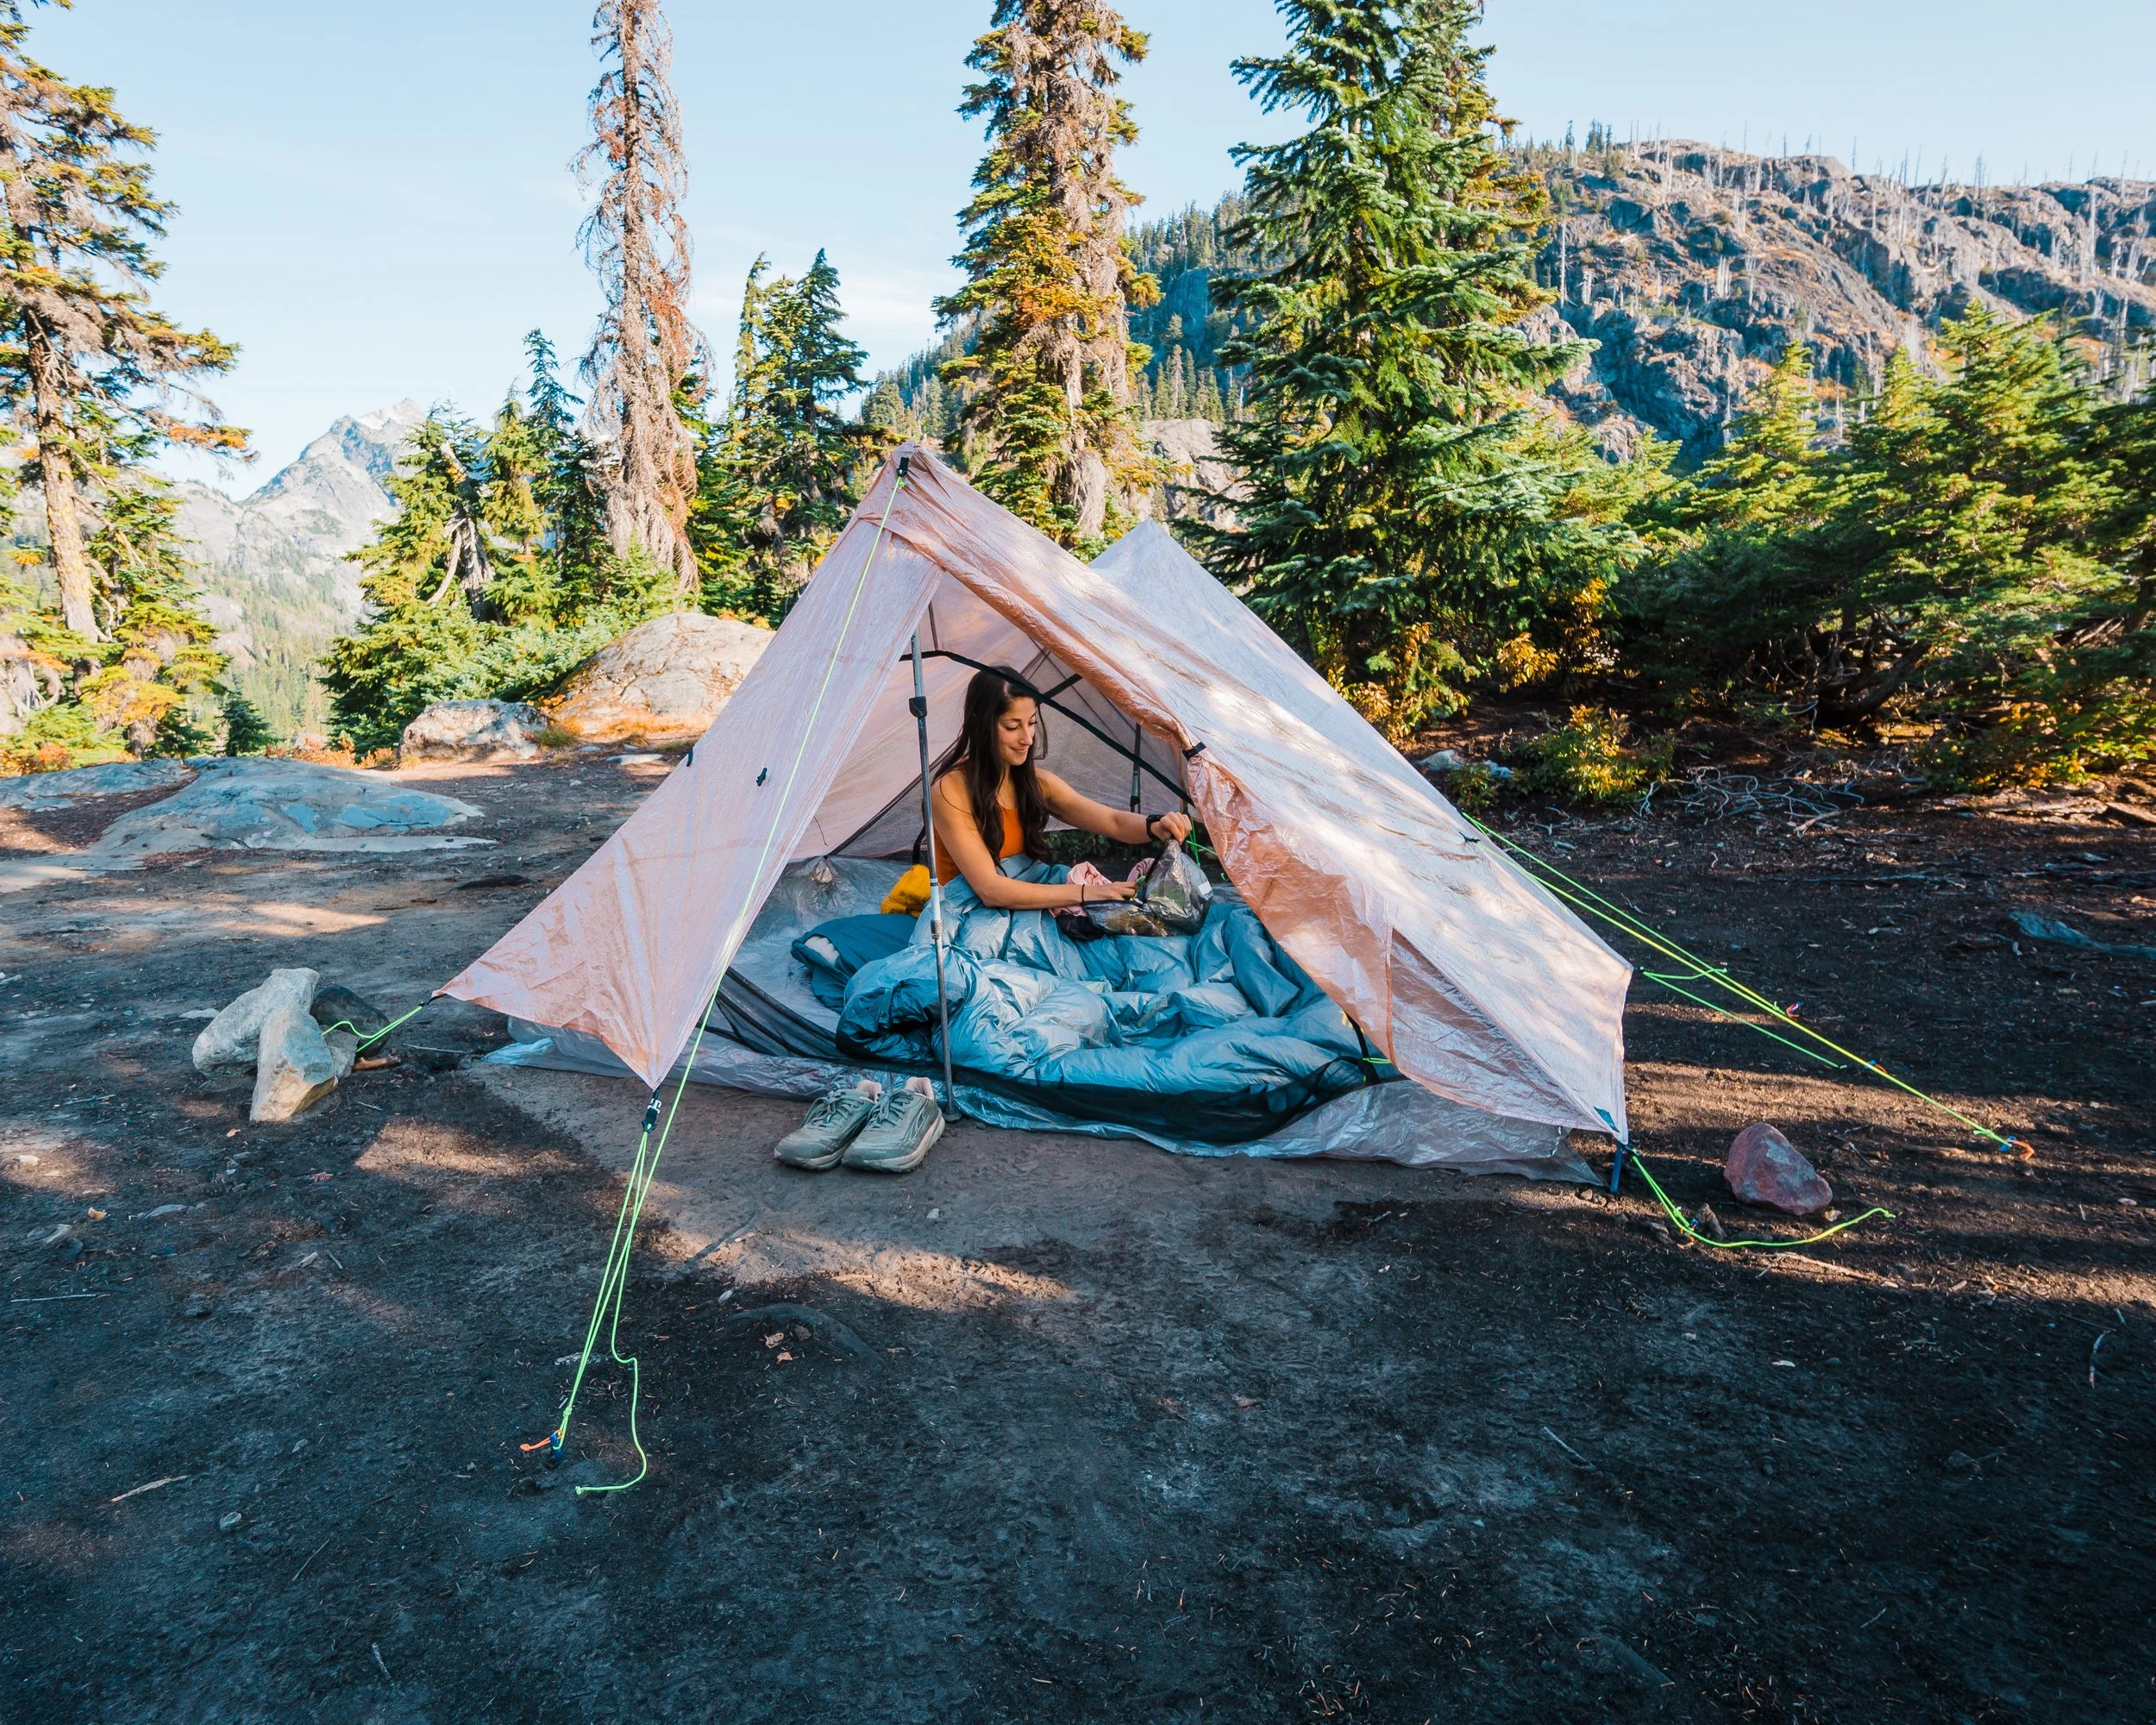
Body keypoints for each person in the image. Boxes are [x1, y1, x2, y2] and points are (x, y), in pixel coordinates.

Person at [931, 665, 1192, 907]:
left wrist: (1155, 826)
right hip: (972, 912)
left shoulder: (1036, 783)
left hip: (1028, 897)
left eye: (1032, 723)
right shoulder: (950, 790)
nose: (1027, 738)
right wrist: (1087, 893)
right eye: (1012, 726)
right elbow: (990, 890)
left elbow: (1111, 821)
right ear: (980, 724)